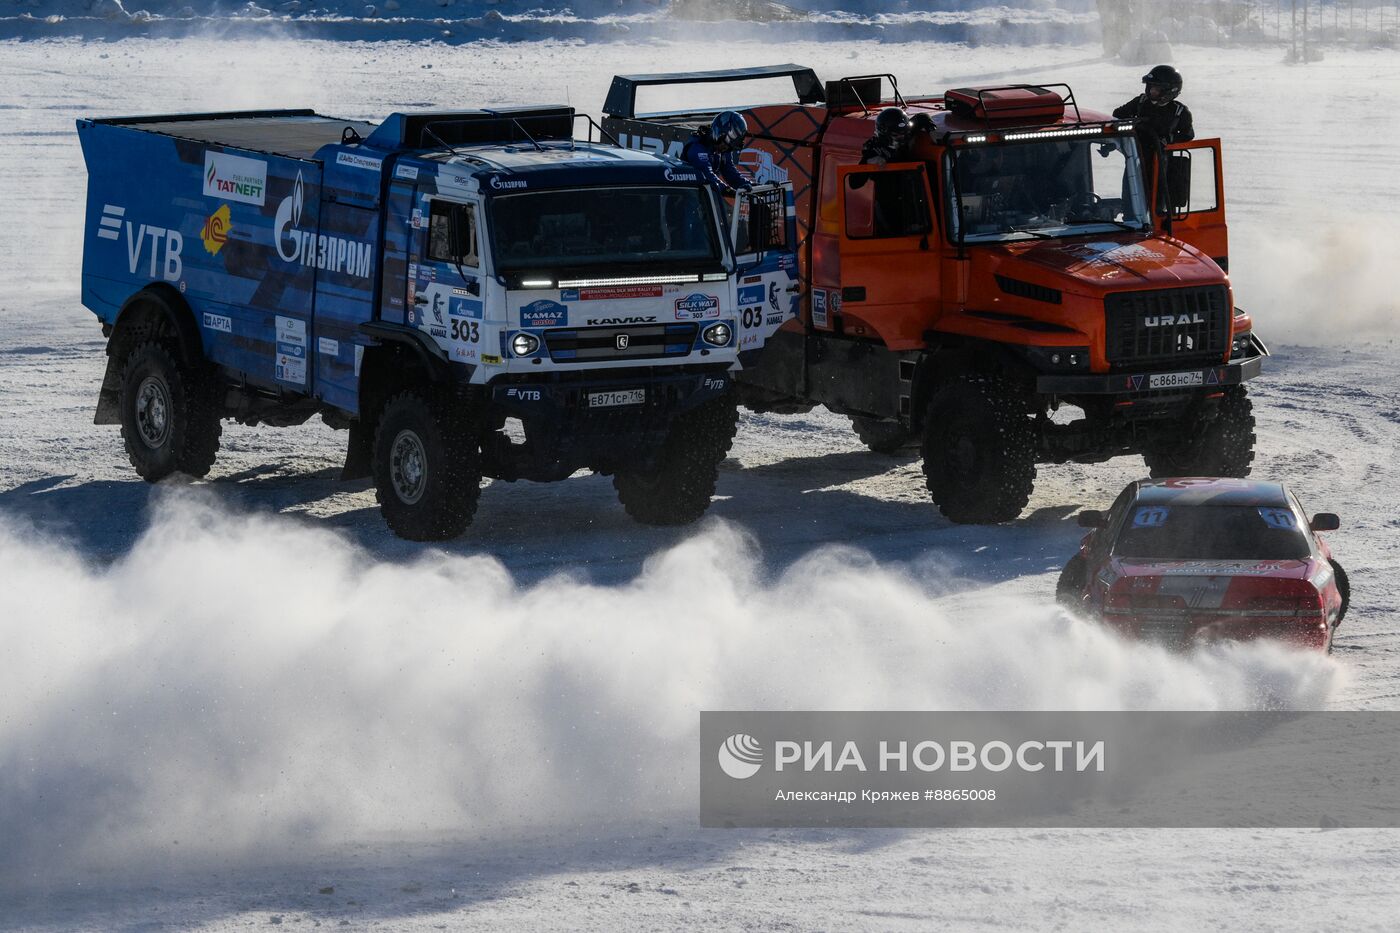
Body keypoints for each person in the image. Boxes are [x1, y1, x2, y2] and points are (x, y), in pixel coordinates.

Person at [682, 111, 753, 195]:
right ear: (719, 134)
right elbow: (707, 176)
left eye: (729, 148)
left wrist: (753, 186)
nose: (725, 149)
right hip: (686, 197)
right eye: (725, 145)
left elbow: (731, 173)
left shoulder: (723, 149)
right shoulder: (697, 147)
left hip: (705, 198)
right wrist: (729, 191)